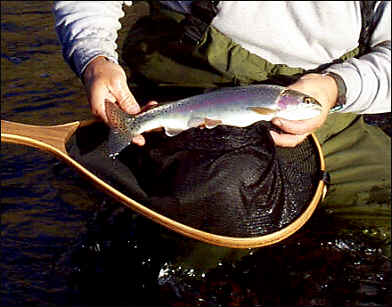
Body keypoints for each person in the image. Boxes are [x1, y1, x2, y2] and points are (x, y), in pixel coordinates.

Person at [53, 1, 391, 253]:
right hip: (186, 100)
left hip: (332, 108)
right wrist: (93, 58)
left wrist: (335, 88)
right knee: (219, 204)